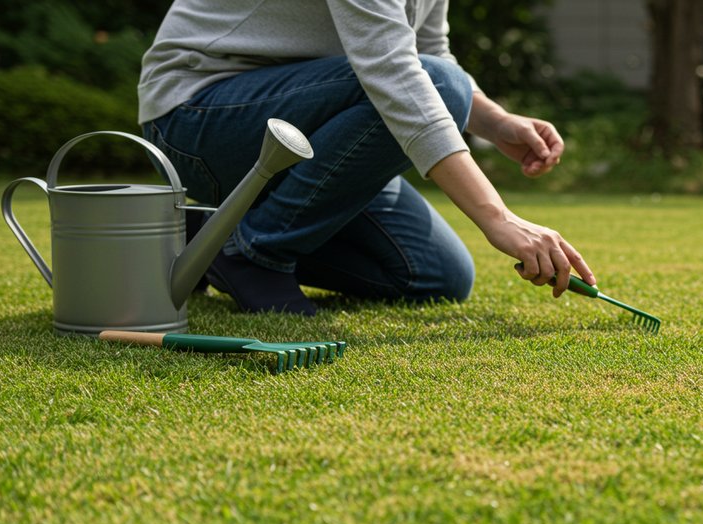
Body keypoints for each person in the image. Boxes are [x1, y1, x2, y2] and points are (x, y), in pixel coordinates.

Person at [138, 0, 595, 316]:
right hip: (196, 116)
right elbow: (396, 73)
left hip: (301, 121)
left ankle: (212, 236)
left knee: (435, 275)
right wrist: (498, 218)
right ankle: (256, 252)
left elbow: (429, 51)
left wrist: (495, 122)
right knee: (435, 84)